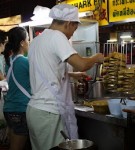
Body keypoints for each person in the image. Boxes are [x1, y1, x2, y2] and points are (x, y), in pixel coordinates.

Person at [26, 3, 104, 150]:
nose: (73, 33)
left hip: (35, 111)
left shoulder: (37, 41)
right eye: (74, 28)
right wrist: (96, 58)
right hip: (48, 113)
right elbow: (81, 64)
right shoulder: (57, 37)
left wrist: (72, 75)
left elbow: (46, 70)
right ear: (68, 23)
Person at [3, 27, 31, 150]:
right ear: (22, 43)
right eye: (28, 40)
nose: (29, 43)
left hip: (9, 109)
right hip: (21, 110)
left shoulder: (9, 61)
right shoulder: (25, 62)